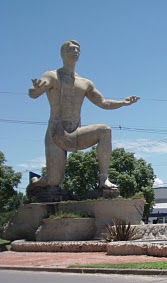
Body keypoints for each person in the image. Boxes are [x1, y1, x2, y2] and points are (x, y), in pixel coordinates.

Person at [28, 40, 140, 191]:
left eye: (78, 49)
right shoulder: (52, 76)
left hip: (76, 133)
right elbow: (35, 92)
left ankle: (104, 179)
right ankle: (36, 181)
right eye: (72, 49)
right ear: (63, 53)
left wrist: (123, 102)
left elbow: (103, 102)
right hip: (56, 133)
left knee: (105, 130)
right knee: (54, 181)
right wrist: (35, 90)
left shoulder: (85, 83)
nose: (76, 51)